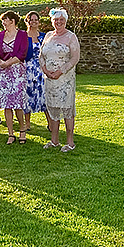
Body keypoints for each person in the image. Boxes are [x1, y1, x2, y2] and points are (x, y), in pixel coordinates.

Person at [40, 8, 80, 151]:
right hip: (50, 80)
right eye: (56, 20)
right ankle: (54, 140)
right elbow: (41, 55)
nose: (58, 22)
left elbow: (75, 58)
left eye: (61, 20)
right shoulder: (49, 36)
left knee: (67, 109)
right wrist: (45, 70)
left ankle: (70, 142)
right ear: (52, 21)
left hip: (65, 80)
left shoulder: (71, 36)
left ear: (66, 21)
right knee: (53, 109)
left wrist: (60, 71)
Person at [0, 11, 30, 145]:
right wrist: (0, 62)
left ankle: (22, 130)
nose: (3, 22)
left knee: (17, 104)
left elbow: (22, 53)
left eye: (5, 20)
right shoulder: (0, 35)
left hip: (17, 72)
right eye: (3, 20)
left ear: (13, 21)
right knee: (7, 105)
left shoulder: (22, 35)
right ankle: (10, 133)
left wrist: (8, 62)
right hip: (3, 73)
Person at [21, 11, 46, 145]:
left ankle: (50, 122)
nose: (34, 22)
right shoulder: (23, 36)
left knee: (44, 95)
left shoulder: (44, 36)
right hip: (27, 68)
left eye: (36, 19)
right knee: (27, 95)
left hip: (42, 69)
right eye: (31, 19)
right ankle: (27, 122)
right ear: (27, 21)